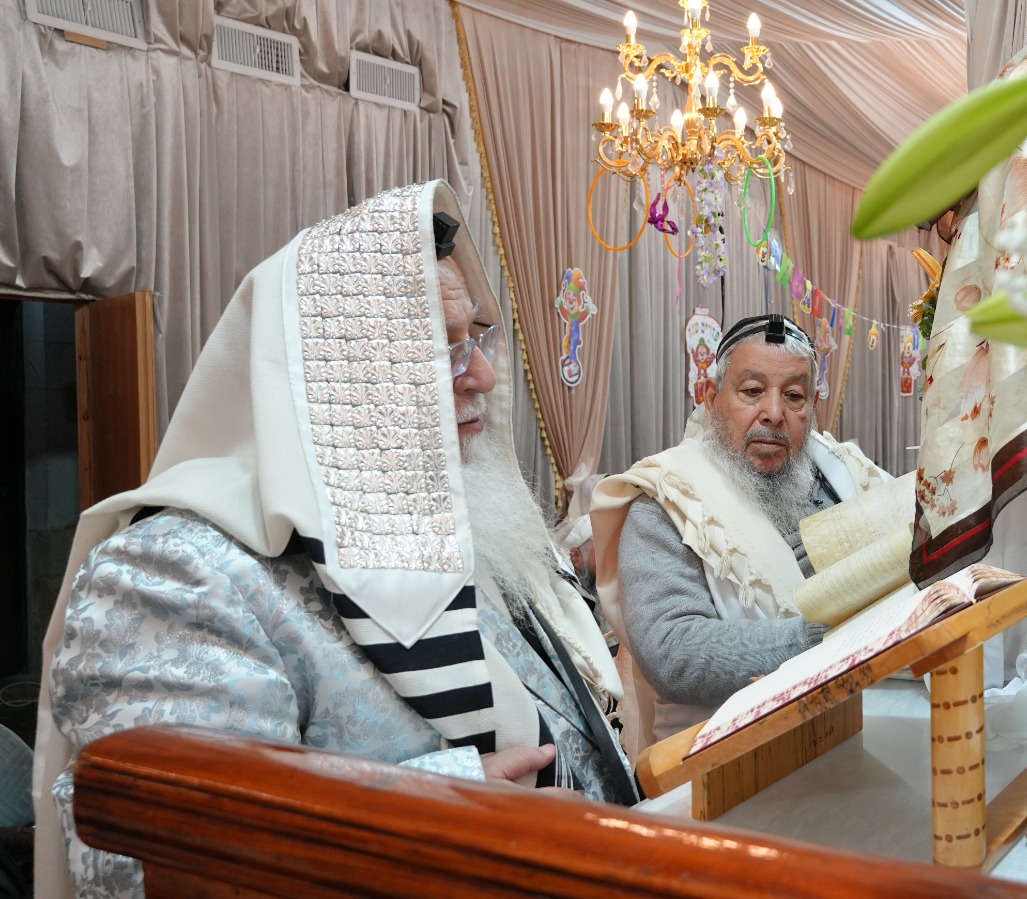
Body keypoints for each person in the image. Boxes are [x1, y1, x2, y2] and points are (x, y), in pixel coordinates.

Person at [32, 182, 637, 898]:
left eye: (474, 338)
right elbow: (150, 867)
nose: (481, 374)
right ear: (332, 379)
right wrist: (434, 811)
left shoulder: (439, 517)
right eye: (437, 349)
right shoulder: (173, 574)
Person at [591, 315, 892, 753]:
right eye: (752, 391)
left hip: (851, 731)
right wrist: (826, 635)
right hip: (721, 759)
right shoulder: (667, 500)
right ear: (712, 398)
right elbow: (672, 652)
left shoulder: (841, 473)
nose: (774, 413)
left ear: (813, 408)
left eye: (793, 396)